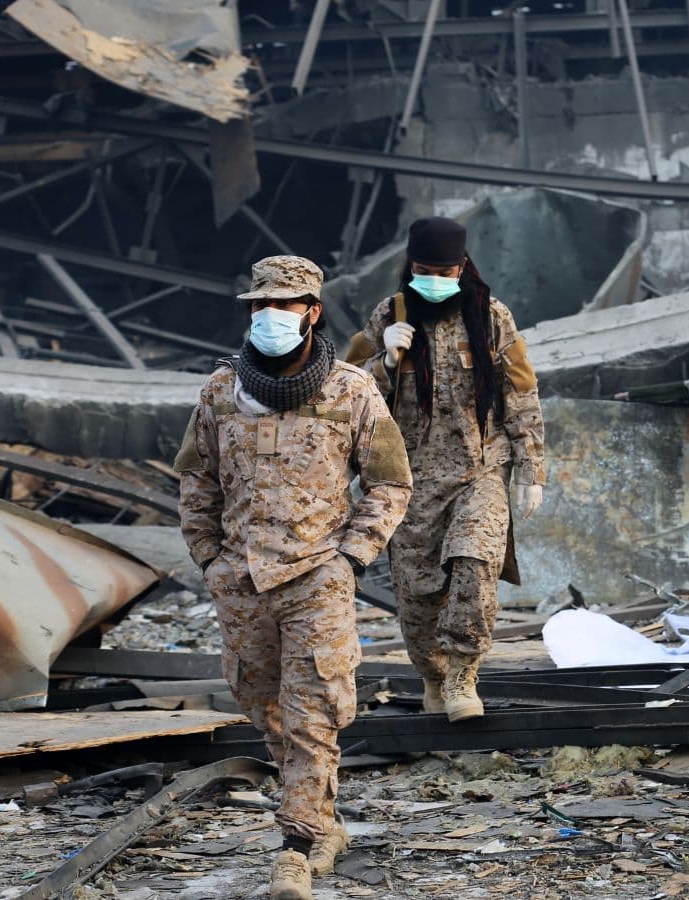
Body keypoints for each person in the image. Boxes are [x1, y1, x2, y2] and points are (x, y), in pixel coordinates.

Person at [176, 255, 412, 900]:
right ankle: (321, 812)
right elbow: (196, 479)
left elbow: (391, 482)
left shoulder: (352, 390)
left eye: (284, 305)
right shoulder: (221, 391)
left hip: (318, 576)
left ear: (312, 311)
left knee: (315, 712)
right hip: (242, 579)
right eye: (259, 306)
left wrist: (353, 558)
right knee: (261, 703)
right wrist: (209, 557)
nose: (270, 317)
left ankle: (298, 846)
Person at [344, 216, 545, 722]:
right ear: (410, 266)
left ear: (462, 267)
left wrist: (530, 467)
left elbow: (520, 391)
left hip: (480, 470)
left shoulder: (493, 317)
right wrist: (385, 362)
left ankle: (463, 674)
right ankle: (433, 675)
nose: (433, 278)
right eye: (423, 268)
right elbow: (345, 391)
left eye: (444, 269)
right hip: (408, 479)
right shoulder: (386, 316)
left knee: (475, 563)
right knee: (417, 595)